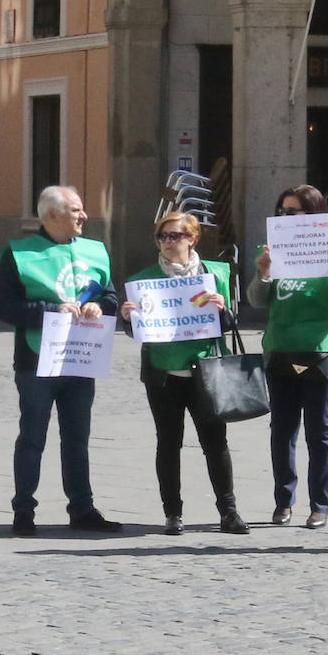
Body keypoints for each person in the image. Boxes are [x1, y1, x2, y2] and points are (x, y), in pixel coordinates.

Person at [0, 185, 122, 536]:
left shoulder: (95, 250)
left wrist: (103, 306)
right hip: (37, 361)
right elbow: (3, 306)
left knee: (77, 438)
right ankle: (23, 510)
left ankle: (82, 507)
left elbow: (110, 294)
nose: (83, 216)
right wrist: (49, 310)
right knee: (32, 437)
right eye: (76, 210)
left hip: (82, 358)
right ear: (52, 215)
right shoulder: (18, 253)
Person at [120, 212, 249, 536]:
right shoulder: (145, 279)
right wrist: (127, 317)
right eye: (162, 237)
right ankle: (172, 513)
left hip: (205, 371)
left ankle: (228, 511)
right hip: (163, 373)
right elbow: (137, 332)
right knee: (168, 443)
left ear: (192, 238)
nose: (167, 242)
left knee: (215, 443)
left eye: (174, 236)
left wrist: (223, 309)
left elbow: (229, 325)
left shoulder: (213, 274)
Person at [247, 185, 328, 530]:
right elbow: (257, 300)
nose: (284, 217)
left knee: (319, 428)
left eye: (292, 211)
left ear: (313, 214)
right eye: (281, 211)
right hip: (282, 347)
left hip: (326, 349)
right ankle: (284, 501)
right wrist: (263, 272)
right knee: (282, 428)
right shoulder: (272, 248)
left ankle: (320, 505)